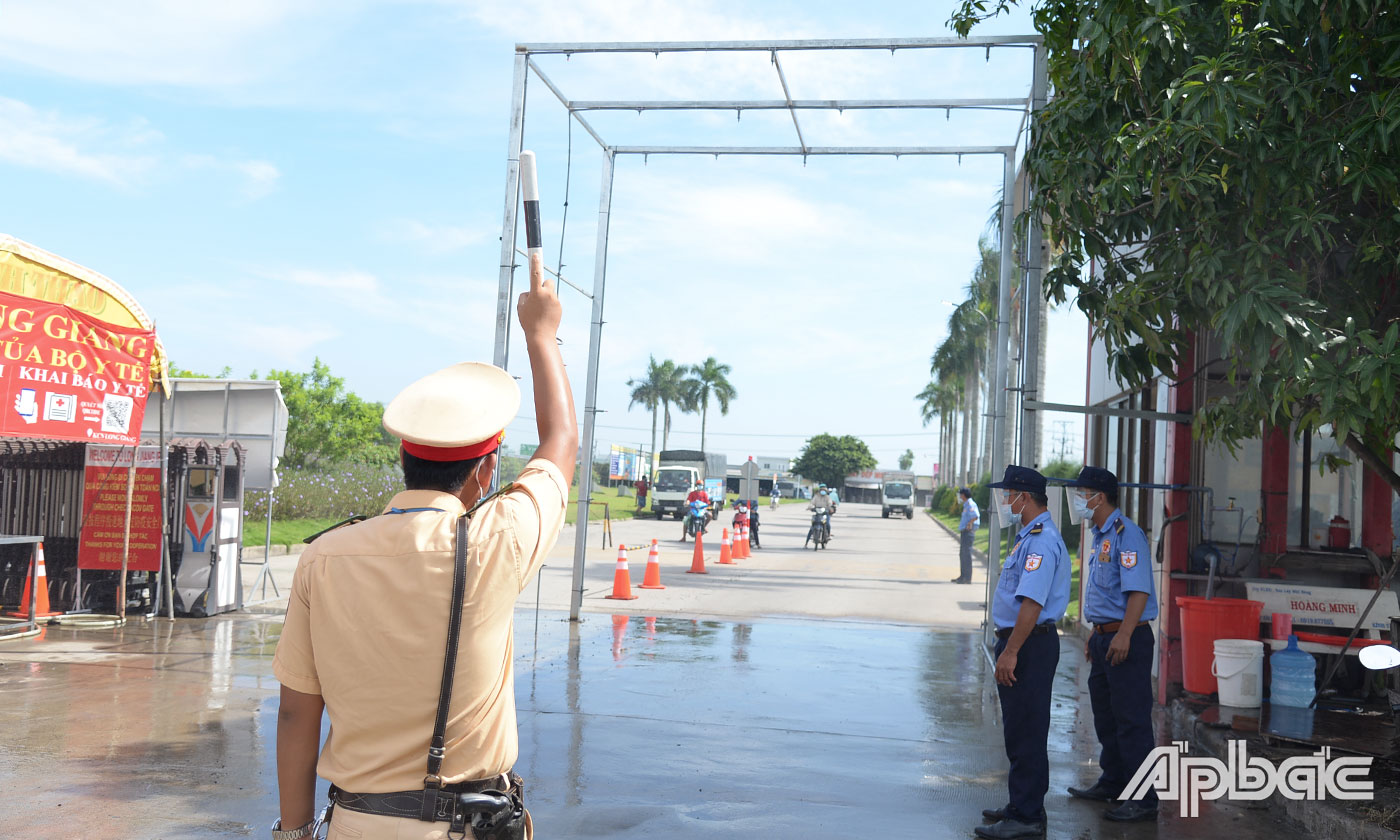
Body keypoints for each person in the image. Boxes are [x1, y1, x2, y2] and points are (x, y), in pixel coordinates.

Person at [272, 252, 576, 840]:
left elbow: (295, 712)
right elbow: (560, 440)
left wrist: (293, 832)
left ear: (403, 456)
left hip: (355, 823)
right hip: (465, 826)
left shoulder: (323, 557)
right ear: (485, 472)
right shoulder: (499, 538)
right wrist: (542, 334)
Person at [976, 465, 1071, 840]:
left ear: (1024, 497)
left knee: (1028, 732)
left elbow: (1032, 603)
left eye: (1008, 494)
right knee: (1019, 731)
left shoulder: (1041, 541)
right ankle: (1021, 806)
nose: (1005, 500)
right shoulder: (1029, 536)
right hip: (1023, 641)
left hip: (1029, 644)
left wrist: (1011, 651)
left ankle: (1027, 818)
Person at [1064, 466, 1159, 822]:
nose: (1077, 500)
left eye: (1081, 493)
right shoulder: (1100, 535)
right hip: (1106, 637)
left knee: (1132, 720)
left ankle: (1144, 799)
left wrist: (1123, 634)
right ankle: (1114, 781)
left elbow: (1138, 590)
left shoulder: (1126, 534)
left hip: (1127, 638)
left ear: (1099, 497)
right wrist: (1097, 632)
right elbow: (1106, 593)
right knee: (1106, 716)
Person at [953, 486, 980, 584]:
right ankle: (962, 576)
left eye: (960, 494)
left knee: (966, 555)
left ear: (963, 495)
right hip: (964, 531)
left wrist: (969, 524)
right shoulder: (966, 504)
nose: (960, 496)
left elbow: (976, 516)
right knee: (962, 554)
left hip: (968, 532)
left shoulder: (970, 504)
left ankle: (967, 578)